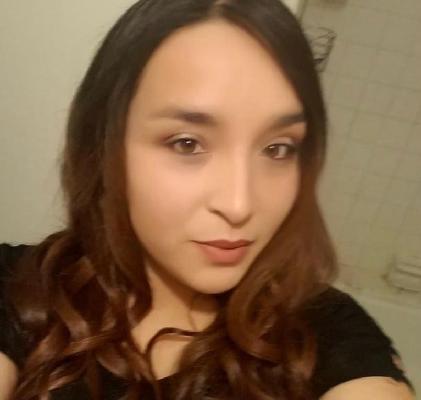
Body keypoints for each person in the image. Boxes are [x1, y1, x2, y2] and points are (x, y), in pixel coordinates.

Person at [0, 0, 416, 399]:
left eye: (278, 148)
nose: (239, 205)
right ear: (104, 145)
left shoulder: (324, 331)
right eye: (187, 143)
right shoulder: (19, 287)